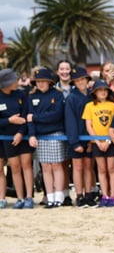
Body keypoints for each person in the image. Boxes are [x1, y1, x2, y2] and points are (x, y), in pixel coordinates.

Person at [26, 68, 69, 208]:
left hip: (55, 133)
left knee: (56, 165)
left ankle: (59, 196)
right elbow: (29, 118)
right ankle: (49, 197)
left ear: (49, 82)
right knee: (45, 166)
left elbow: (56, 115)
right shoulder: (32, 97)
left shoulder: (57, 95)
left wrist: (37, 118)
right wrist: (32, 135)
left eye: (43, 81)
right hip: (40, 135)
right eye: (38, 82)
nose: (41, 84)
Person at [82, 80, 114, 207]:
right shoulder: (89, 106)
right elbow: (89, 126)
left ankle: (113, 195)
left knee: (112, 169)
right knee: (101, 170)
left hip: (111, 141)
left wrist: (108, 141)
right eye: (100, 90)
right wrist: (97, 142)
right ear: (95, 92)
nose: (103, 92)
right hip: (97, 142)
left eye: (105, 90)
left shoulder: (113, 106)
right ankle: (104, 195)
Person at [64, 66, 97, 206]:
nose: (80, 82)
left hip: (90, 137)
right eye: (77, 80)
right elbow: (69, 121)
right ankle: (79, 195)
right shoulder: (71, 98)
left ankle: (89, 194)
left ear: (87, 80)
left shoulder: (92, 95)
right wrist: (74, 142)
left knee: (89, 166)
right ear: (74, 83)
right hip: (76, 138)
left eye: (82, 79)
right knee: (77, 166)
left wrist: (92, 140)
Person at [0, 67, 32, 209]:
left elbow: (26, 115)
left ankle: (29, 197)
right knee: (15, 168)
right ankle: (19, 198)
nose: (17, 82)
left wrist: (20, 132)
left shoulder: (21, 94)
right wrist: (9, 121)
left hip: (22, 136)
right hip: (7, 138)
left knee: (27, 165)